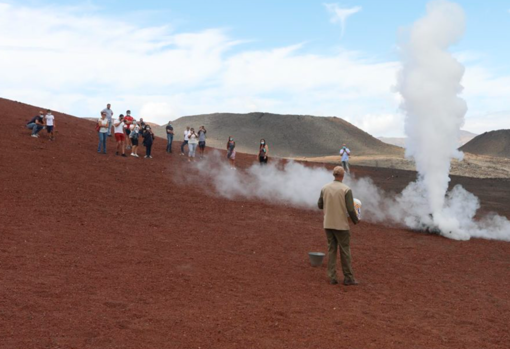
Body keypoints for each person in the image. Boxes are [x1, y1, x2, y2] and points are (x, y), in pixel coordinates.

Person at [318, 166, 359, 286]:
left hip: (328, 224)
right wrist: (355, 220)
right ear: (342, 175)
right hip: (341, 225)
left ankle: (332, 277)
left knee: (332, 249)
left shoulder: (324, 188)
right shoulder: (346, 189)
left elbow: (320, 205)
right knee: (345, 251)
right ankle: (348, 278)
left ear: (333, 175)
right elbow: (351, 209)